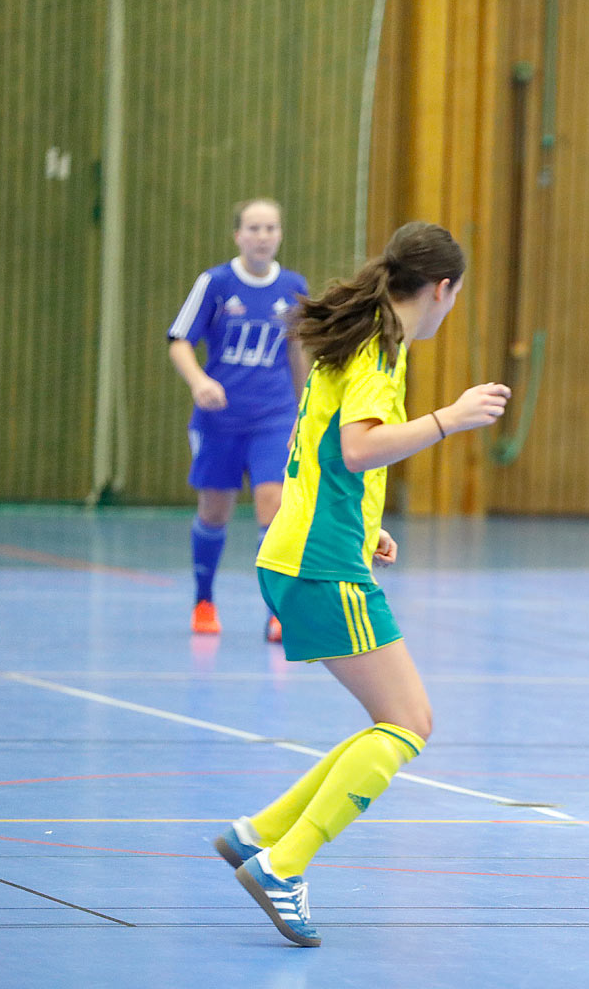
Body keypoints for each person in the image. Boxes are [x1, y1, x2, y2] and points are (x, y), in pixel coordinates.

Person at [211, 222, 511, 946]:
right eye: (455, 298)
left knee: (390, 721)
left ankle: (263, 834)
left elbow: (316, 444)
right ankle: (284, 864)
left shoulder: (364, 339)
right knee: (410, 724)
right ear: (441, 290)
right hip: (318, 565)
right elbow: (355, 445)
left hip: (302, 551)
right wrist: (451, 419)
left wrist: (363, 521)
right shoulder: (379, 349)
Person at [167, 198, 309, 640]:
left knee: (274, 509)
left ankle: (278, 611)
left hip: (274, 416)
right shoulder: (215, 283)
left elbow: (299, 351)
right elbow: (179, 341)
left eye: (270, 228)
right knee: (215, 512)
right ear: (238, 236)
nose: (262, 236)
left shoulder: (293, 288)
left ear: (280, 234)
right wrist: (198, 382)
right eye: (254, 228)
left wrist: (305, 410)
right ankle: (204, 601)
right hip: (221, 419)